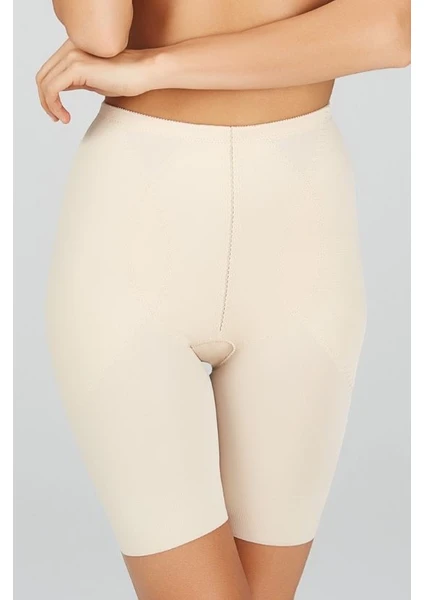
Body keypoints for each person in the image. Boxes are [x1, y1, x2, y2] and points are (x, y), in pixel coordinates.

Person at [37, 1, 410, 599]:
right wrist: (142, 65)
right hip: (135, 236)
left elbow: (391, 28)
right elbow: (99, 34)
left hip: (300, 241)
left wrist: (158, 66)